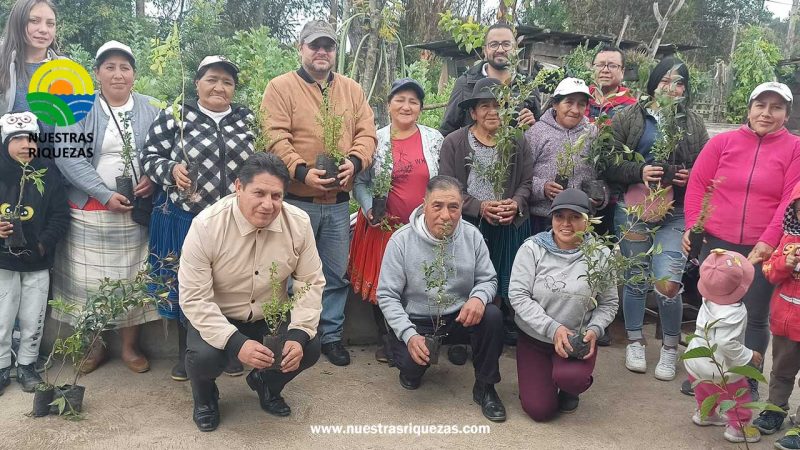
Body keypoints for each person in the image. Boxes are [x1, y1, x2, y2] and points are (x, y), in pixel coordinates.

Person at [179, 153, 324, 432]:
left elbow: (310, 281)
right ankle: (206, 398)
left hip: (268, 315)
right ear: (238, 187)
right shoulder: (207, 225)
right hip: (220, 316)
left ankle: (265, 383)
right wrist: (236, 344)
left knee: (310, 347)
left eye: (276, 196)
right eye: (258, 193)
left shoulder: (299, 224)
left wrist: (298, 333)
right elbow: (194, 298)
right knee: (203, 358)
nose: (267, 205)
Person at [263, 19, 377, 366]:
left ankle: (329, 336)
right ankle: (290, 336)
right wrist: (301, 170)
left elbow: (367, 133)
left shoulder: (351, 90)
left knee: (334, 273)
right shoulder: (280, 88)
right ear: (301, 49)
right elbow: (275, 136)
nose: (322, 51)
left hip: (340, 204)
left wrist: (355, 163)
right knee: (286, 272)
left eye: (328, 46)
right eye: (315, 45)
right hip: (297, 202)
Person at [142, 55, 256, 381]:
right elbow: (149, 156)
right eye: (212, 79)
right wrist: (171, 170)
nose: (219, 87)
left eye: (227, 82)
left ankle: (230, 350)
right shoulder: (177, 115)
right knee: (188, 287)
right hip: (187, 217)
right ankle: (188, 353)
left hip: (234, 220)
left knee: (229, 284)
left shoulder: (247, 119)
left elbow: (261, 160)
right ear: (197, 84)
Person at [683, 81, 800, 398]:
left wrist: (769, 239)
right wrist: (694, 226)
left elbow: (789, 200)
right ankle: (705, 370)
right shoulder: (722, 143)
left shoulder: (795, 149)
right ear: (749, 109)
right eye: (761, 105)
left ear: (786, 115)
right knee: (711, 308)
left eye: (776, 107)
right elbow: (698, 186)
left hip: (762, 247)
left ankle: (747, 377)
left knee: (755, 314)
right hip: (718, 242)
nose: (766, 113)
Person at [51, 41, 161, 374]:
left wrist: (153, 179)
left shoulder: (150, 107)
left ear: (134, 75)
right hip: (89, 212)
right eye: (109, 67)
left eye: (125, 67)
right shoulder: (78, 108)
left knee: (133, 280)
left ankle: (130, 348)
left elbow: (164, 149)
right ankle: (93, 345)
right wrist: (102, 193)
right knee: (86, 283)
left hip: (135, 212)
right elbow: (68, 158)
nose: (117, 74)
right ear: (96, 73)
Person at [604, 57, 708, 381]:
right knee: (635, 278)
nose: (672, 87)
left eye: (679, 82)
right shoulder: (629, 117)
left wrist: (690, 176)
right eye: (666, 80)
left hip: (674, 213)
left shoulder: (693, 122)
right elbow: (606, 162)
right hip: (633, 209)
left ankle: (670, 348)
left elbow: (707, 168)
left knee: (668, 283)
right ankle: (635, 339)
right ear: (654, 82)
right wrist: (639, 170)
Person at [377, 175, 505, 422]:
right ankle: (410, 368)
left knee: (492, 315)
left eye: (453, 207)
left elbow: (488, 280)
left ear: (461, 208)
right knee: (411, 367)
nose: (446, 215)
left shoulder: (472, 236)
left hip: (458, 316)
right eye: (437, 206)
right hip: (418, 321)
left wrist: (478, 298)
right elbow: (387, 295)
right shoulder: (401, 241)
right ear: (424, 204)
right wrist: (409, 334)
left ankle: (486, 387)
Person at [350, 78, 442, 364]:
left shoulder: (433, 139)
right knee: (385, 284)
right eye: (400, 99)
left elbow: (441, 181)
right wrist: (369, 209)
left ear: (421, 108)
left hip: (421, 230)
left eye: (413, 101)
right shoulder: (375, 140)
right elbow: (360, 182)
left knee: (416, 283)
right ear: (388, 105)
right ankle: (388, 340)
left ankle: (415, 338)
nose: (406, 106)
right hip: (383, 228)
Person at [439, 77, 534, 346]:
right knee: (467, 279)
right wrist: (479, 207)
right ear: (472, 112)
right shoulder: (455, 142)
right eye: (485, 106)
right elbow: (448, 185)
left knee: (505, 279)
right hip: (470, 224)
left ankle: (499, 326)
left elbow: (527, 181)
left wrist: (515, 203)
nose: (492, 112)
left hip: (508, 222)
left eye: (499, 105)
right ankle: (462, 333)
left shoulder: (517, 140)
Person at [508, 188, 618, 422]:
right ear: (552, 219)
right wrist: (553, 329)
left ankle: (570, 386)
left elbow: (609, 303)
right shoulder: (532, 249)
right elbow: (518, 295)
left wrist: (594, 330)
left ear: (588, 221)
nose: (566, 223)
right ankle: (541, 381)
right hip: (535, 339)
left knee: (572, 379)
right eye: (559, 216)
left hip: (575, 341)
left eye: (575, 217)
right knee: (540, 411)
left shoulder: (600, 255)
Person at [0, 112, 68, 394]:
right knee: (3, 313)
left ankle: (28, 364)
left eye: (30, 138)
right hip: (3, 260)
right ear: (5, 143)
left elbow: (60, 215)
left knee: (33, 313)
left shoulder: (48, 173)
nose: (25, 145)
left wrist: (43, 244)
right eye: (17, 139)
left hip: (37, 260)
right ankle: (2, 364)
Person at [684, 249, 762, 444]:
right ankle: (739, 428)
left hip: (695, 360)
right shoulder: (736, 311)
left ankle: (705, 414)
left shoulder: (708, 299)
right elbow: (727, 344)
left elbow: (719, 281)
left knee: (704, 389)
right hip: (720, 367)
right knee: (737, 397)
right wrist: (749, 355)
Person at [751, 182, 800, 446]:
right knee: (781, 370)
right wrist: (785, 263)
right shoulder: (788, 241)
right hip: (785, 323)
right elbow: (769, 272)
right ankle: (775, 410)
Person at [525, 77, 606, 234]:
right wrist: (542, 187)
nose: (575, 110)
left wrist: (601, 197)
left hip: (581, 219)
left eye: (581, 104)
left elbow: (603, 174)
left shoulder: (593, 134)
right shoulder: (536, 133)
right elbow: (521, 177)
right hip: (543, 219)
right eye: (569, 102)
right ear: (555, 104)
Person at [439, 22, 540, 137]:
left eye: (506, 44)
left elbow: (538, 130)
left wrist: (533, 125)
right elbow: (448, 130)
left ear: (515, 48)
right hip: (473, 154)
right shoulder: (466, 84)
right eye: (494, 44)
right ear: (485, 50)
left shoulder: (528, 86)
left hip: (515, 154)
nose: (500, 49)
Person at [0, 0, 59, 116]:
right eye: (34, 21)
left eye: (50, 23)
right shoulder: (2, 64)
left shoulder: (67, 69)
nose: (43, 29)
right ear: (17, 22)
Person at [585, 44, 637, 121]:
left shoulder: (631, 108)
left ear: (622, 72)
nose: (605, 70)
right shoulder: (580, 96)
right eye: (599, 65)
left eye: (613, 66)